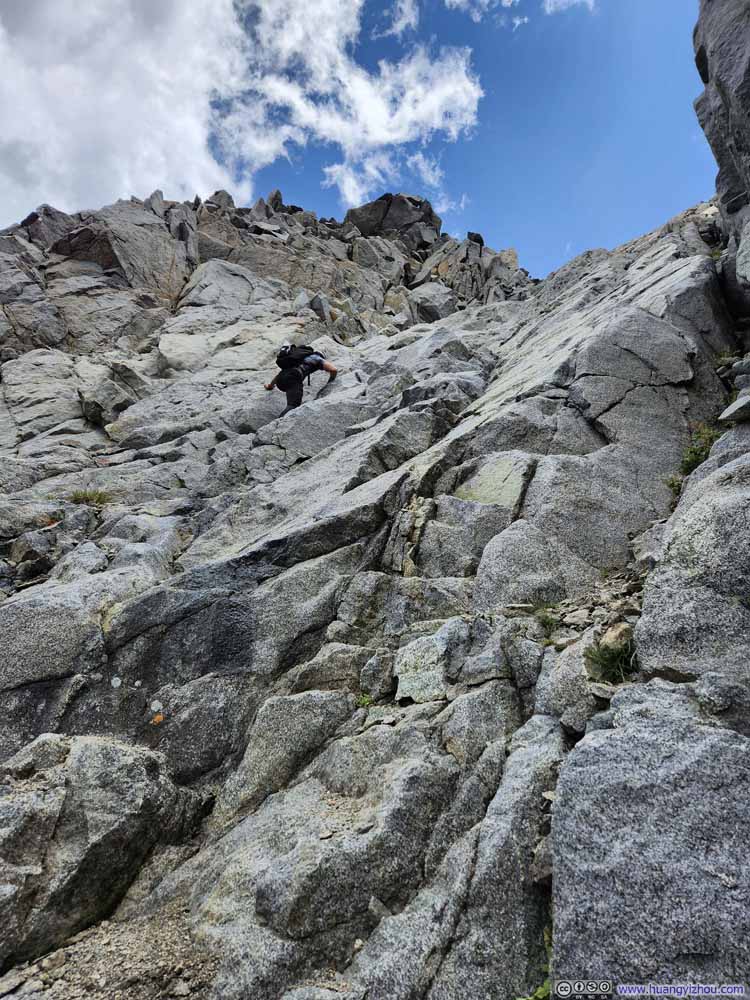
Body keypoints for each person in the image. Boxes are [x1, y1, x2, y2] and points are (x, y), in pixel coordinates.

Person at [264, 343, 338, 415]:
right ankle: (278, 424)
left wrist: (270, 386)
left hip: (281, 380)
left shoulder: (298, 358)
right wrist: (330, 382)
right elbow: (333, 369)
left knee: (292, 401)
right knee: (293, 405)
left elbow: (279, 374)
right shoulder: (317, 358)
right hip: (293, 378)